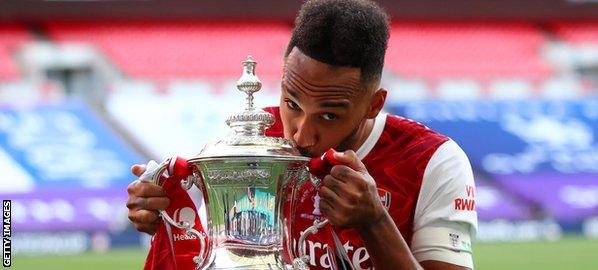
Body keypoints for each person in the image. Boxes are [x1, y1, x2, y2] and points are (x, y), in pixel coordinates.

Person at [126, 0, 477, 269]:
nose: (301, 136)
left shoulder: (432, 161)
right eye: (292, 103)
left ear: (373, 104)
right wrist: (167, 216)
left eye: (329, 114)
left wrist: (374, 223)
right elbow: (216, 252)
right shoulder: (257, 144)